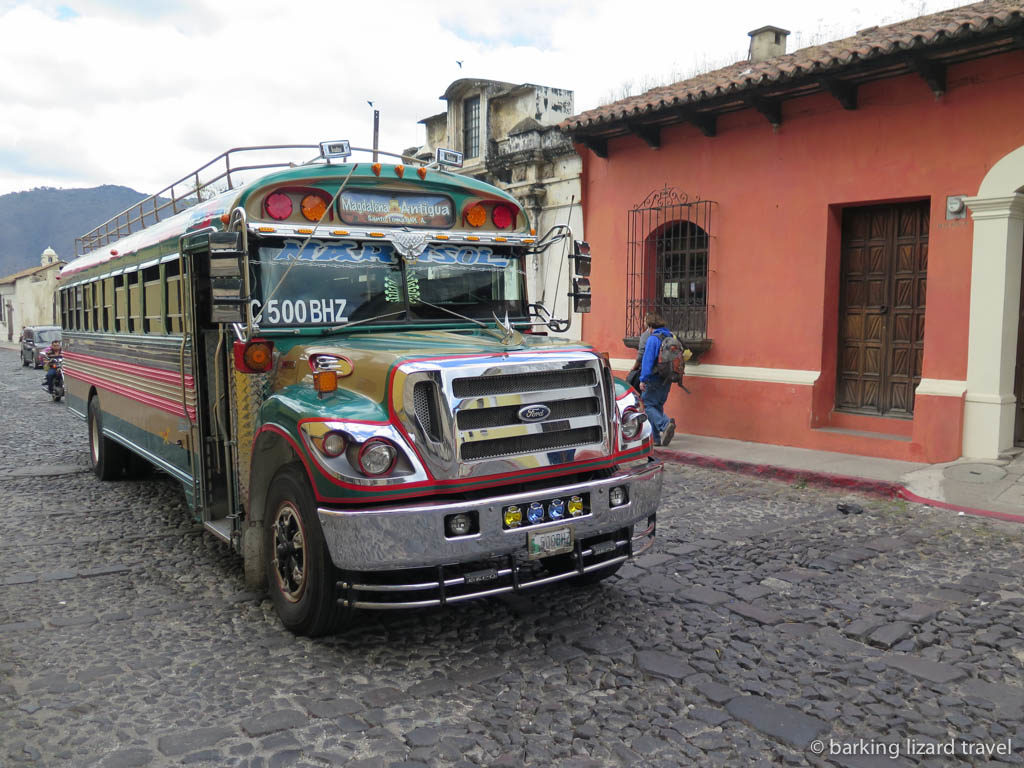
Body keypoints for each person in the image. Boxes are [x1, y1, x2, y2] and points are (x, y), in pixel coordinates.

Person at [636, 312, 676, 446]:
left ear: (650, 325)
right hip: (667, 378)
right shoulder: (670, 336)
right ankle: (656, 439)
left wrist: (643, 379)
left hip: (654, 378)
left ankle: (665, 425)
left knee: (647, 405)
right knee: (657, 406)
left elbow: (647, 361)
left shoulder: (653, 339)